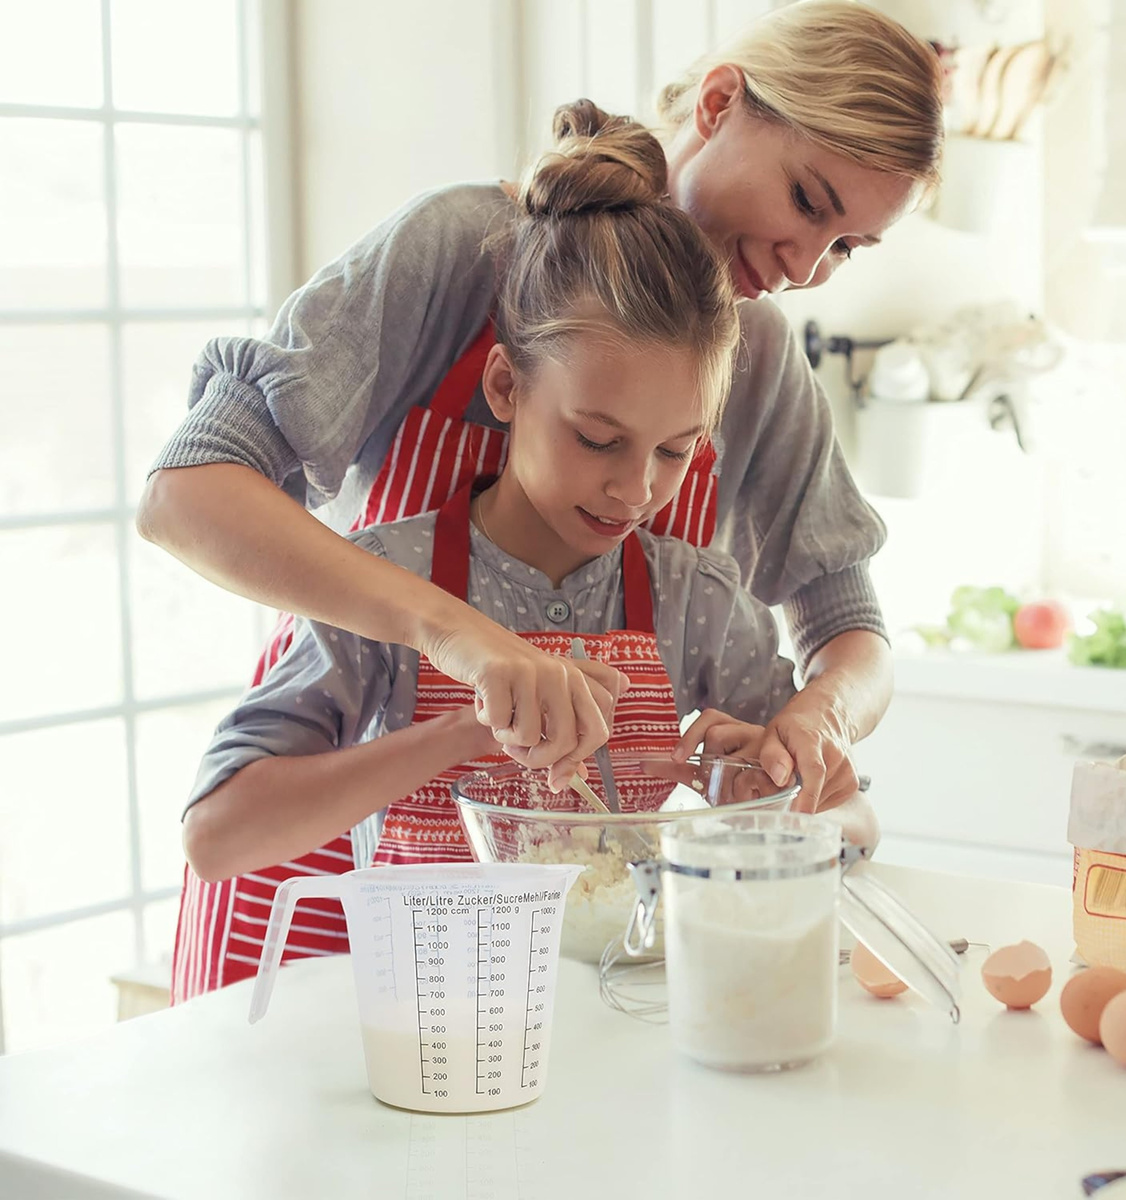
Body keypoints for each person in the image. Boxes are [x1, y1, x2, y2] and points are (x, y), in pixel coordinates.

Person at [136, 0, 943, 803]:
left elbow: (848, 628)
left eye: (846, 247)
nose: (804, 268)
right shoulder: (461, 249)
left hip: (557, 869)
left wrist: (822, 716)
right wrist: (456, 636)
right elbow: (185, 496)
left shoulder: (756, 354)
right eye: (806, 201)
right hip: (321, 818)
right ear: (719, 101)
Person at [175, 106, 876, 999]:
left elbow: (854, 819)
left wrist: (764, 798)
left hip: (606, 1028)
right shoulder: (385, 584)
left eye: (674, 452)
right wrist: (464, 731)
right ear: (506, 387)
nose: (635, 492)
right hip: (422, 1023)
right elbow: (216, 837)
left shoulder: (695, 599)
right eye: (596, 439)